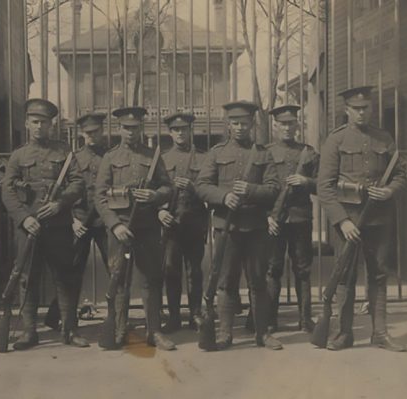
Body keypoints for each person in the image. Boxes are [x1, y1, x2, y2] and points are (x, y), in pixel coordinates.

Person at [317, 86, 407, 352]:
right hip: (348, 221)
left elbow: (402, 174)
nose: (361, 112)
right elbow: (325, 187)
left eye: (365, 107)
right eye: (356, 108)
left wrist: (390, 189)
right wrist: (342, 221)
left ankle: (379, 333)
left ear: (371, 108)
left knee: (379, 275)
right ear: (346, 110)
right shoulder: (335, 140)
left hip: (379, 220)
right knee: (344, 276)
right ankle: (344, 333)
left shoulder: (384, 138)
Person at [1, 98, 89, 350]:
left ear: (52, 125)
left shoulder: (64, 153)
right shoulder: (18, 156)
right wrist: (24, 217)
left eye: (45, 122)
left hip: (58, 227)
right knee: (27, 278)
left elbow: (78, 183)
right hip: (28, 227)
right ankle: (29, 332)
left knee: (65, 277)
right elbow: (7, 191)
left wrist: (60, 204)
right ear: (27, 124)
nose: (40, 127)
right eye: (35, 122)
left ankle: (69, 330)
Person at [195, 101, 283, 350]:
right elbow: (201, 185)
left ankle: (262, 333)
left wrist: (251, 190)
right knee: (225, 281)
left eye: (245, 123)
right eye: (235, 123)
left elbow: (275, 189)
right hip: (227, 228)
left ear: (252, 124)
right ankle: (224, 333)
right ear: (229, 125)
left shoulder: (263, 153)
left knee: (257, 280)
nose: (240, 127)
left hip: (255, 228)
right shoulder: (216, 153)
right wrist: (224, 197)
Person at [95, 106, 176, 351]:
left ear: (142, 128)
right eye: (126, 128)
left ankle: (154, 331)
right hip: (120, 229)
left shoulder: (153, 156)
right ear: (119, 129)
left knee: (151, 278)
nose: (131, 132)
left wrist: (154, 195)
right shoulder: (109, 158)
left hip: (147, 227)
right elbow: (99, 196)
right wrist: (114, 224)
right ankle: (119, 330)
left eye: (135, 128)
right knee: (119, 280)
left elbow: (168, 188)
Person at [44, 112, 109, 331]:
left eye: (96, 132)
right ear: (81, 134)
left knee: (115, 267)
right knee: (72, 271)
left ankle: (118, 319)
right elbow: (63, 192)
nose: (92, 137)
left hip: (103, 220)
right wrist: (72, 220)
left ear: (103, 131)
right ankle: (62, 317)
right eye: (87, 133)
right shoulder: (72, 158)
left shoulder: (110, 157)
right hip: (79, 220)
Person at [265, 104, 319, 333]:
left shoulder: (309, 152)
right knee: (272, 269)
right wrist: (266, 216)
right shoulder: (265, 151)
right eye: (282, 123)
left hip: (300, 218)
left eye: (291, 123)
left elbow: (324, 185)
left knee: (303, 270)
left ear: (297, 124)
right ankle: (269, 320)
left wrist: (306, 182)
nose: (287, 128)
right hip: (274, 219)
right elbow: (260, 188)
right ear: (274, 125)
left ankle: (305, 319)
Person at [158, 112, 208, 332]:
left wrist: (192, 187)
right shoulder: (162, 159)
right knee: (171, 270)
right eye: (176, 129)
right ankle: (174, 316)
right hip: (171, 223)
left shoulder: (203, 158)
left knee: (194, 271)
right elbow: (153, 191)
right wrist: (159, 211)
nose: (180, 133)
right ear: (169, 132)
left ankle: (195, 314)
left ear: (190, 131)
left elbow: (210, 189)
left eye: (184, 129)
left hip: (195, 221)